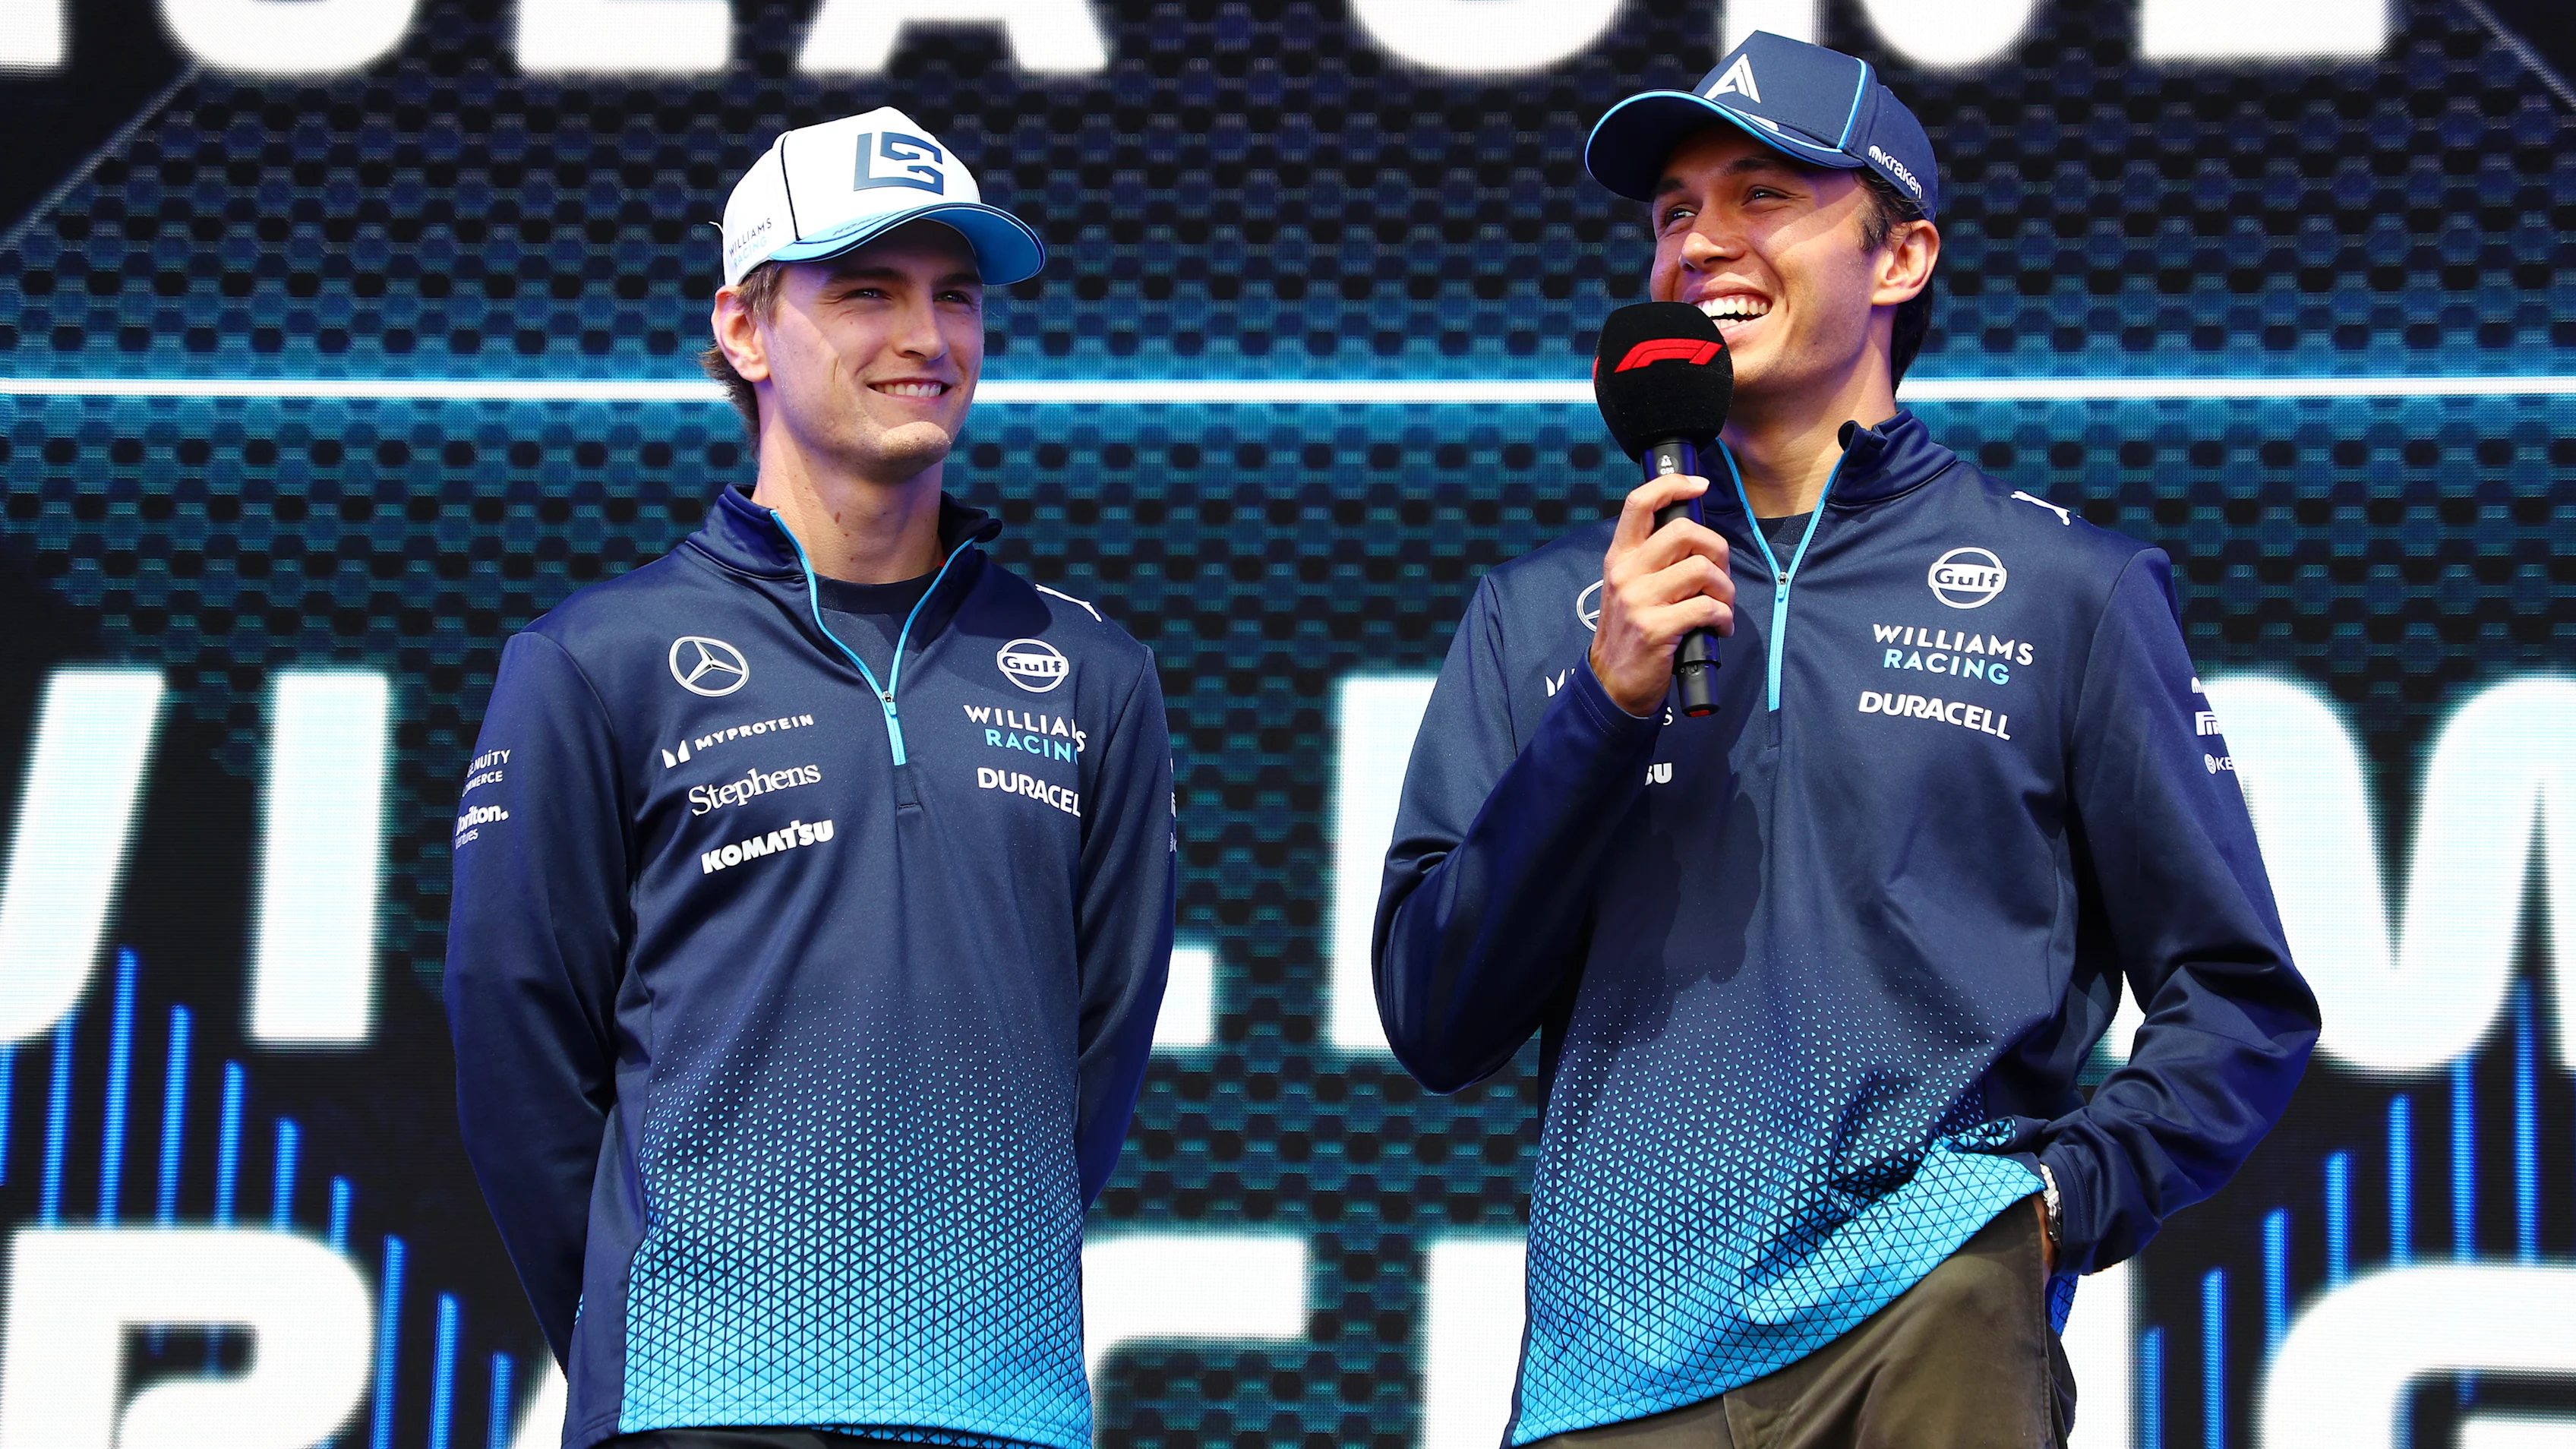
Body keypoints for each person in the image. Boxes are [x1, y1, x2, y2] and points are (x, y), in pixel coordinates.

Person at [1372, 33, 2319, 1447]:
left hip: (1929, 1312)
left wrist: (2050, 1212)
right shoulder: (1541, 614)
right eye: (1673, 213)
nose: (1700, 244)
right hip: (1615, 1369)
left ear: (1902, 258)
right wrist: (1605, 707)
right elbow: (1436, 1016)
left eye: (1763, 196)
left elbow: (2240, 995)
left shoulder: (2069, 591)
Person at [444, 108, 1173, 1449]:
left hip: (1003, 1409)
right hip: (701, 1402)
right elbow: (517, 1061)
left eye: (956, 297)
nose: (927, 338)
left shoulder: (1091, 670)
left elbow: (1098, 1055)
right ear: (742, 330)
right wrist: (645, 1345)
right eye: (866, 293)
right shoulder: (595, 659)